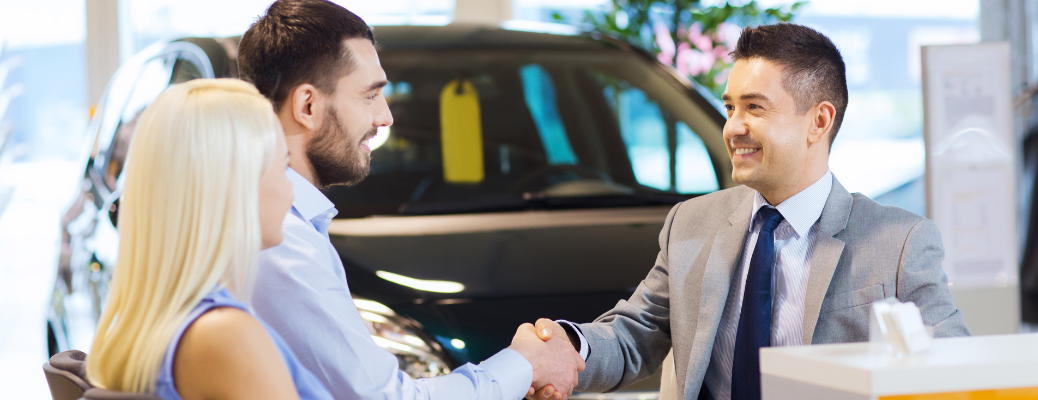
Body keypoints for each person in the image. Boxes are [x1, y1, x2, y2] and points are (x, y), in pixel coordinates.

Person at [527, 23, 971, 400]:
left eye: (754, 108)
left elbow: (956, 369)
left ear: (819, 121)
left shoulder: (899, 243)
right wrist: (568, 346)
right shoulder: (691, 224)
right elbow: (634, 333)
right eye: (730, 107)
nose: (732, 128)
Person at [235, 1, 585, 400]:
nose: (385, 117)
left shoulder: (292, 225)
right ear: (308, 106)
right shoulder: (281, 243)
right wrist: (526, 364)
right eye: (370, 96)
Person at [84, 78, 332, 399]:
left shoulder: (158, 323)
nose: (291, 190)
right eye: (283, 166)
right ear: (234, 185)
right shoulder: (225, 334)